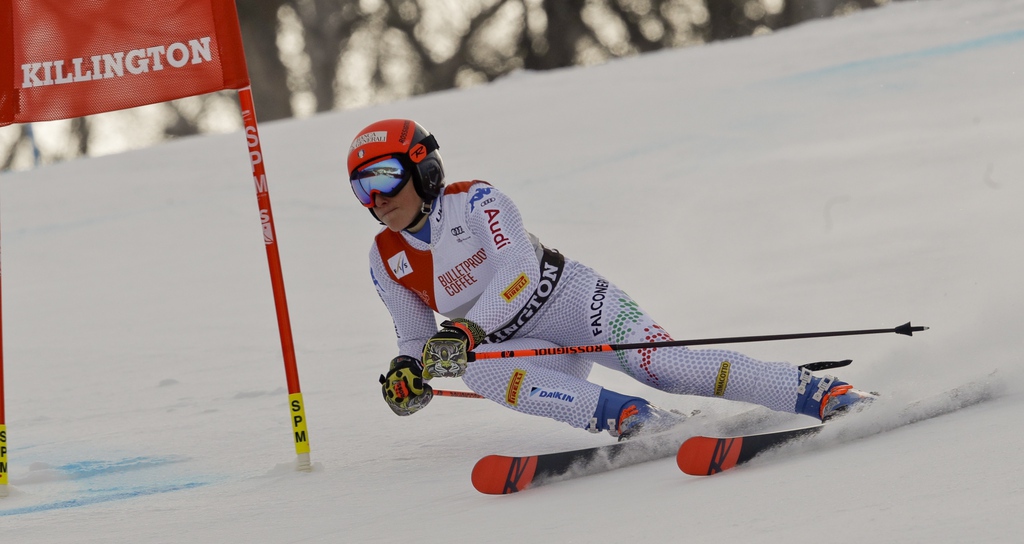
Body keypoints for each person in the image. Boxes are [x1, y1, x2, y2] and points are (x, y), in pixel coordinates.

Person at [350, 119, 873, 439]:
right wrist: (408, 372)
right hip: (518, 344)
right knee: (477, 370)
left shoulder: (478, 199)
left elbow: (519, 272)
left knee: (665, 366)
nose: (377, 199)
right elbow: (414, 334)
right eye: (362, 188)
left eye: (384, 178)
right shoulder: (383, 257)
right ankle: (633, 420)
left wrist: (464, 331)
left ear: (423, 169)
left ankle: (822, 394)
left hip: (572, 300)